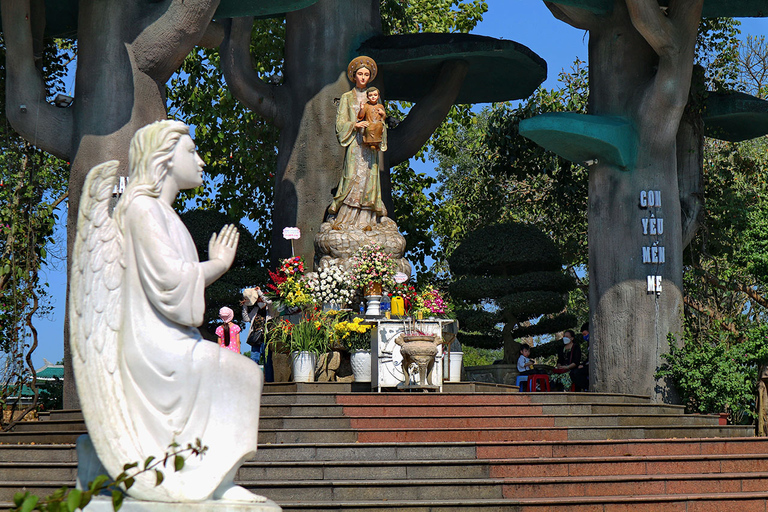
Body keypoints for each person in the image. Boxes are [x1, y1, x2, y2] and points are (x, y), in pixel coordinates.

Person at [71, 120, 265, 502]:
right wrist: (218, 266)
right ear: (164, 158)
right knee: (242, 373)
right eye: (191, 152)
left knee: (241, 373)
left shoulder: (163, 213)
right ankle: (211, 483)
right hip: (152, 347)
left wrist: (210, 268)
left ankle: (212, 481)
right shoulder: (142, 209)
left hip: (169, 339)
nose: (202, 161)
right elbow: (171, 284)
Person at [329, 56, 388, 231]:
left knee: (369, 178)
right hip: (355, 143)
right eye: (360, 74)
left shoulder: (375, 99)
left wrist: (379, 125)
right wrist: (354, 124)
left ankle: (366, 220)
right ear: (354, 76)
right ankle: (345, 219)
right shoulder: (347, 97)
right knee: (352, 177)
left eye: (366, 74)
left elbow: (381, 122)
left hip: (370, 146)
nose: (363, 77)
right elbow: (340, 123)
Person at [241, 287, 271, 365]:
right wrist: (245, 307)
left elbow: (268, 301)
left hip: (267, 338)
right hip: (256, 338)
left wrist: (259, 292)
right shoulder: (255, 309)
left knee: (268, 363)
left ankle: (268, 377)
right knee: (254, 361)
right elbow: (246, 319)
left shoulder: (270, 309)